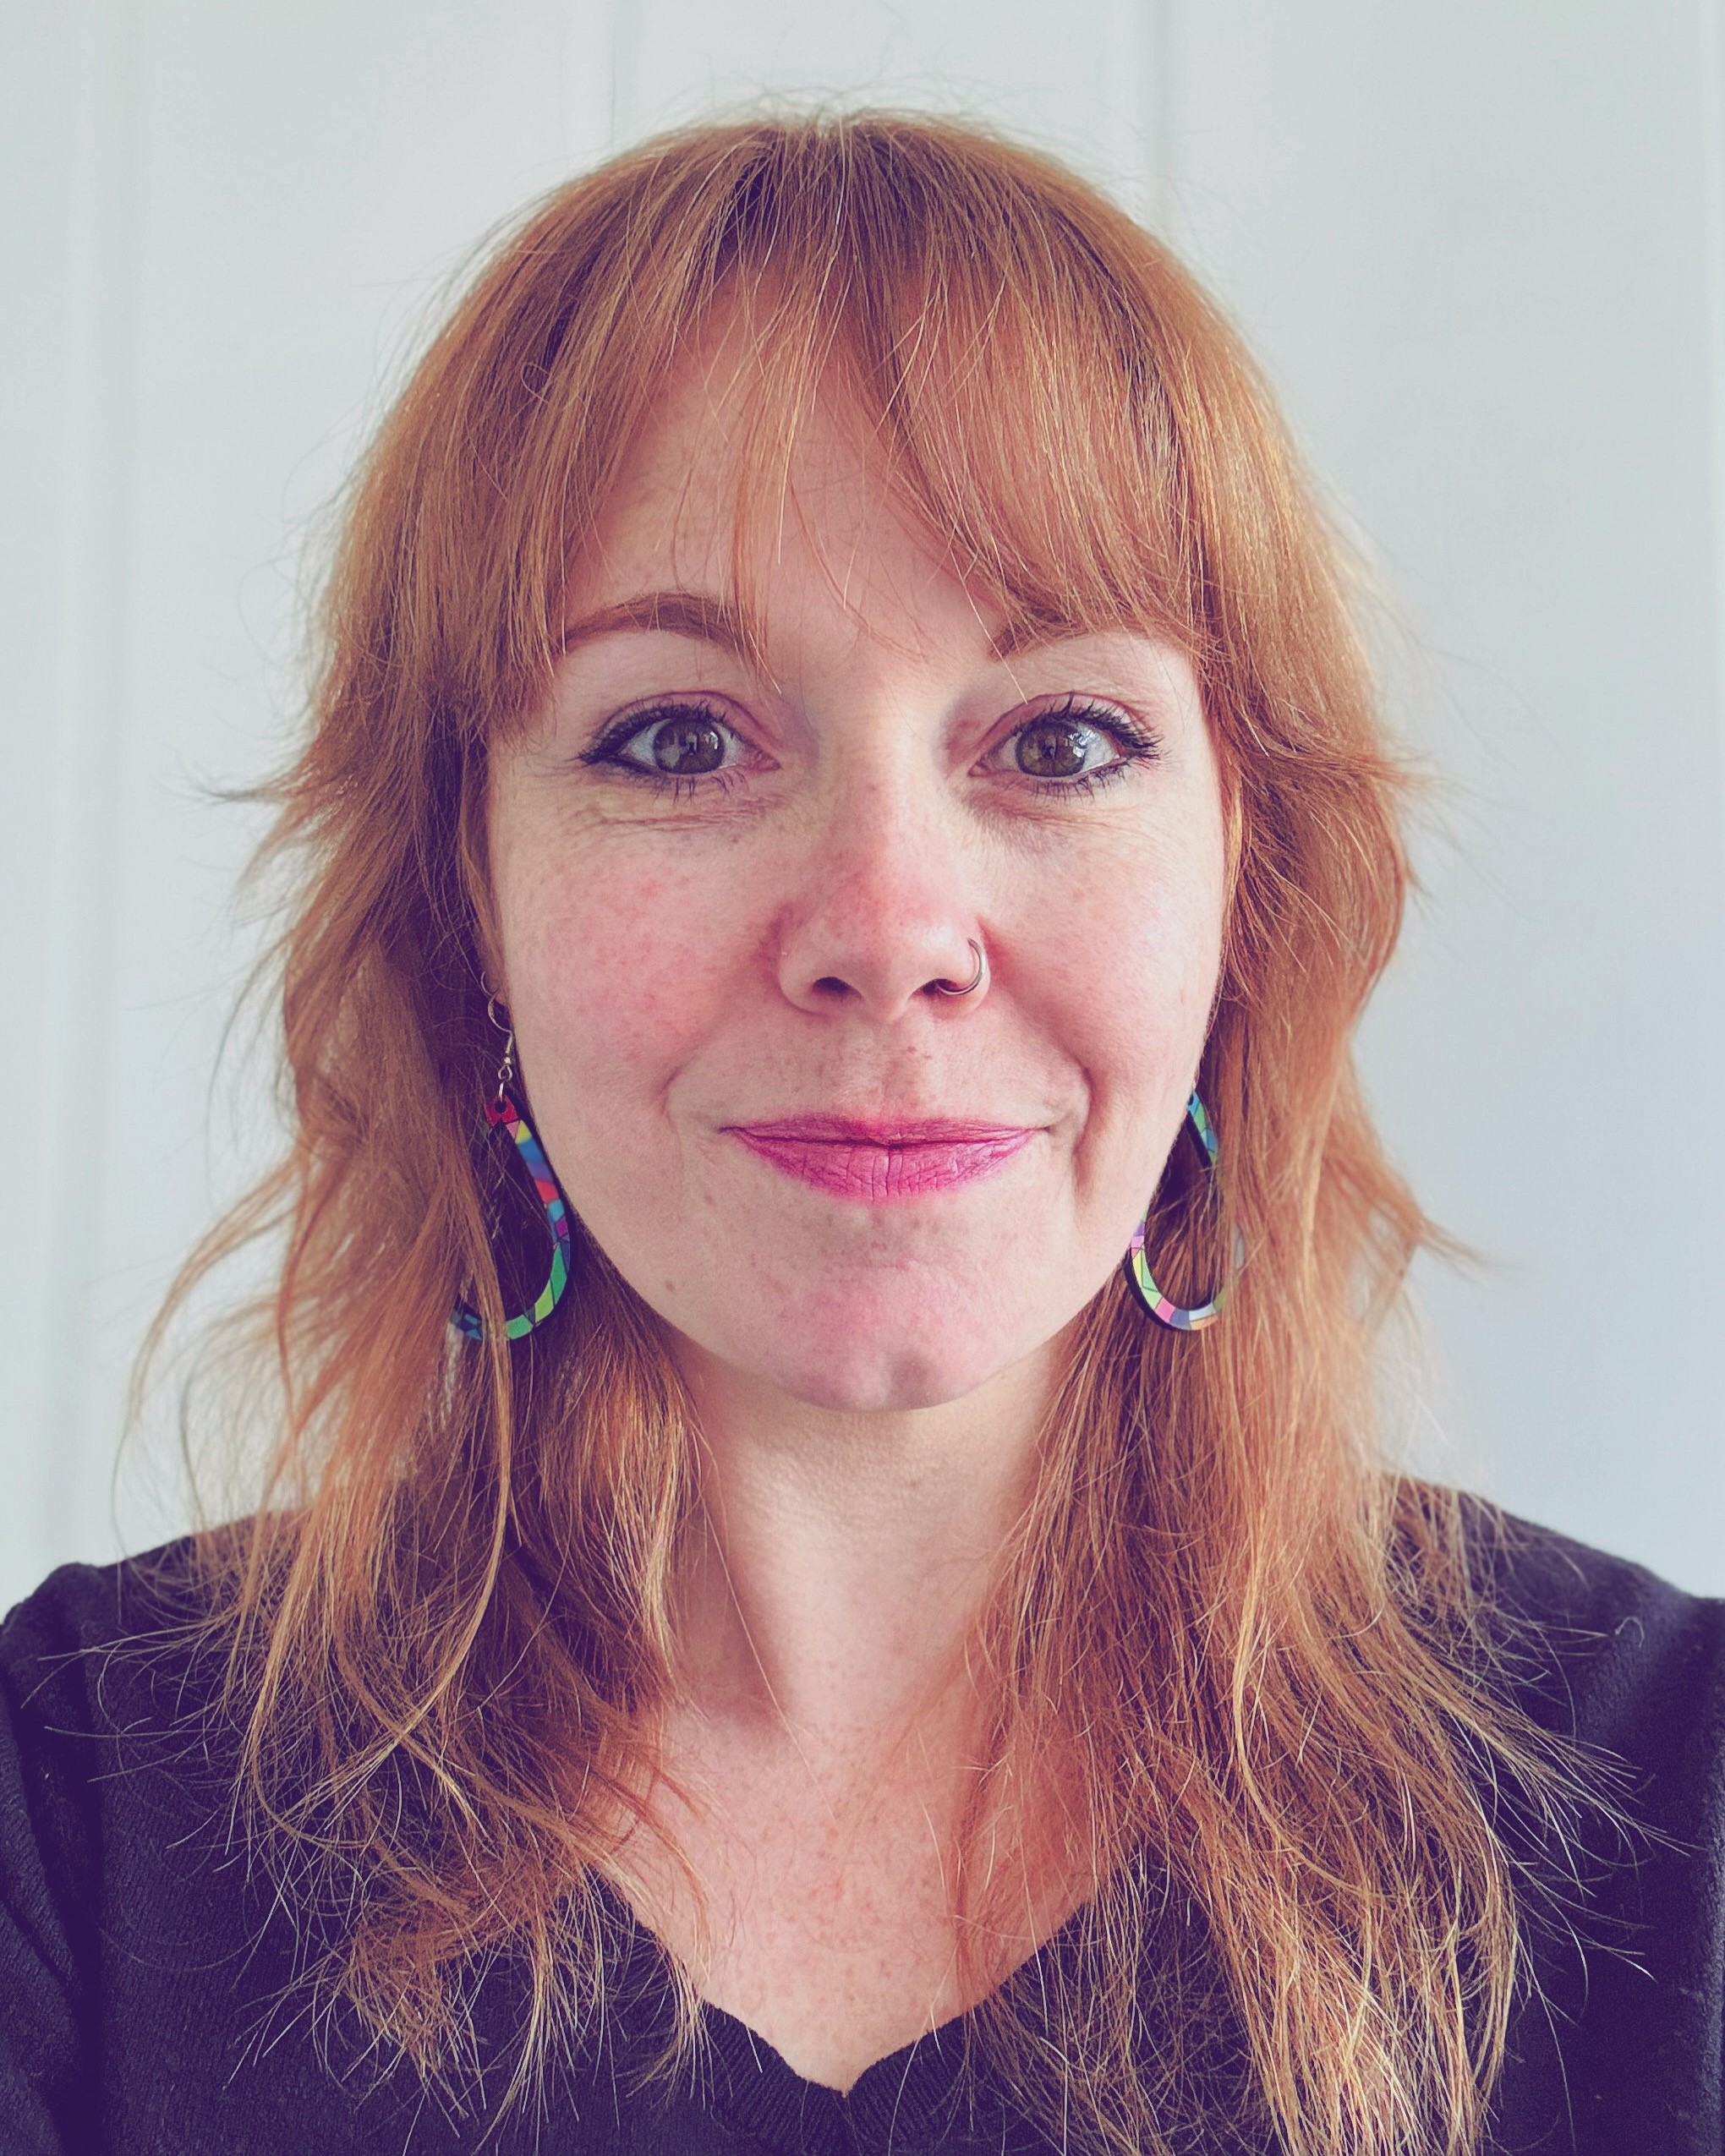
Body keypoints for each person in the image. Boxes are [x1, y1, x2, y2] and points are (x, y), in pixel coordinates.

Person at [1, 112, 1720, 2156]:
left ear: (1244, 898)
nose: (891, 928)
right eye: (676, 738)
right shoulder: (71, 1806)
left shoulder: (1672, 1805)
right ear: (468, 897)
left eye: (1062, 738)